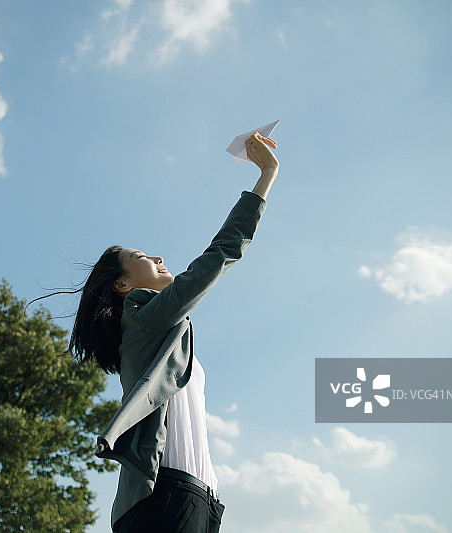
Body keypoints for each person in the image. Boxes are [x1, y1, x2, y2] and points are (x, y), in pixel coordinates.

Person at [68, 132, 279, 532]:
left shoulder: (156, 329)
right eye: (142, 257)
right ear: (122, 285)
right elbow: (219, 255)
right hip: (164, 495)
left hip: (198, 497)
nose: (158, 257)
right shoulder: (141, 315)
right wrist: (266, 176)